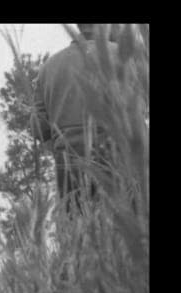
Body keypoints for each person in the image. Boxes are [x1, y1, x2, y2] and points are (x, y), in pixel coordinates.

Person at [34, 24, 120, 211]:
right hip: (117, 162)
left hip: (68, 165)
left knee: (78, 231)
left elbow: (38, 129)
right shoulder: (125, 58)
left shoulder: (49, 67)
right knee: (122, 235)